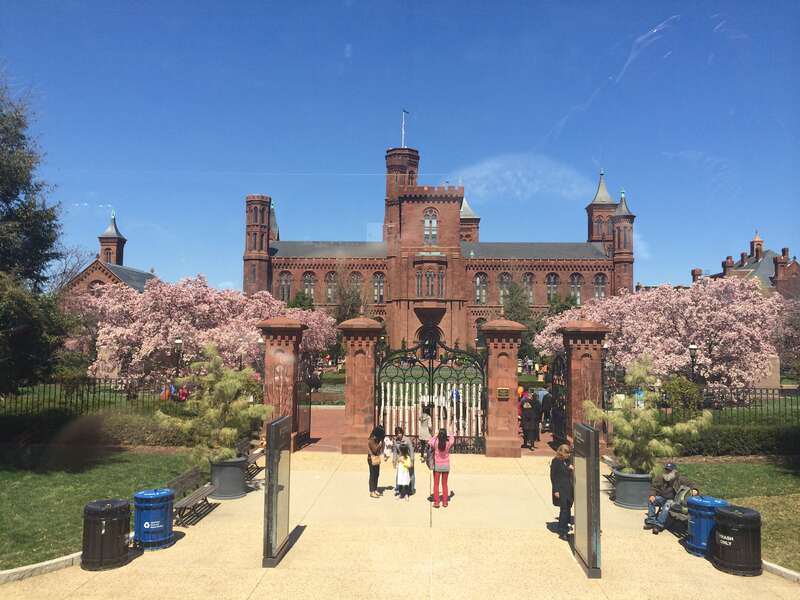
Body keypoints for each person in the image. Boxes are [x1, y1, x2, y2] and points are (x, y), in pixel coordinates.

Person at [645, 463, 699, 534]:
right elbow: (654, 487)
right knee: (652, 500)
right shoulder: (660, 477)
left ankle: (658, 525)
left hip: (674, 501)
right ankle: (651, 521)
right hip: (662, 498)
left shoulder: (680, 479)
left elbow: (692, 484)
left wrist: (695, 489)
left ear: (674, 471)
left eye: (669, 471)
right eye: (666, 470)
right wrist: (652, 495)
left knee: (668, 504)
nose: (667, 472)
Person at [550, 444, 574, 540]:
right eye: (567, 453)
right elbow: (553, 477)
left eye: (569, 453)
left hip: (568, 488)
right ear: (561, 452)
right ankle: (562, 531)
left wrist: (569, 468)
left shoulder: (567, 461)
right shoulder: (556, 461)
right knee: (564, 509)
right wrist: (556, 490)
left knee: (568, 507)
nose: (568, 455)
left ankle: (565, 525)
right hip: (560, 489)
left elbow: (567, 472)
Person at [429, 426, 455, 508]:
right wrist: (450, 431)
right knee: (444, 484)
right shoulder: (448, 443)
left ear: (439, 435)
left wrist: (435, 435)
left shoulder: (436, 442)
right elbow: (452, 440)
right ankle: (445, 502)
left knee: (436, 484)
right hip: (446, 465)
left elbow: (430, 442)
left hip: (437, 465)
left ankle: (437, 502)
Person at [392, 426, 416, 495]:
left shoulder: (407, 439)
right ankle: (398, 488)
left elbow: (411, 450)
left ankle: (411, 489)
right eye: (397, 433)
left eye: (400, 433)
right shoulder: (395, 441)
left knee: (411, 474)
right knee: (399, 474)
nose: (399, 435)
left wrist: (412, 460)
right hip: (401, 459)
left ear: (402, 433)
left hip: (408, 458)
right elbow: (395, 451)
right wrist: (394, 461)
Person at [367, 426, 386, 498]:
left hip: (376, 458)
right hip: (371, 459)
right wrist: (379, 444)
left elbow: (380, 450)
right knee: (372, 475)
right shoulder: (371, 440)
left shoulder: (377, 439)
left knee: (377, 474)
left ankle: (375, 489)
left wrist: (381, 443)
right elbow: (375, 450)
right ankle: (372, 491)